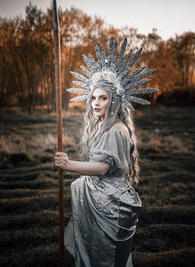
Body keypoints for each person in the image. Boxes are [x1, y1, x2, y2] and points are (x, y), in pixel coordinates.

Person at [55, 37, 158, 266]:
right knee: (100, 257)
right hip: (102, 201)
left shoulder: (116, 130)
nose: (95, 103)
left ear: (115, 100)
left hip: (112, 206)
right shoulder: (104, 126)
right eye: (93, 97)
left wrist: (69, 164)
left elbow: (102, 168)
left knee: (110, 259)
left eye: (103, 98)